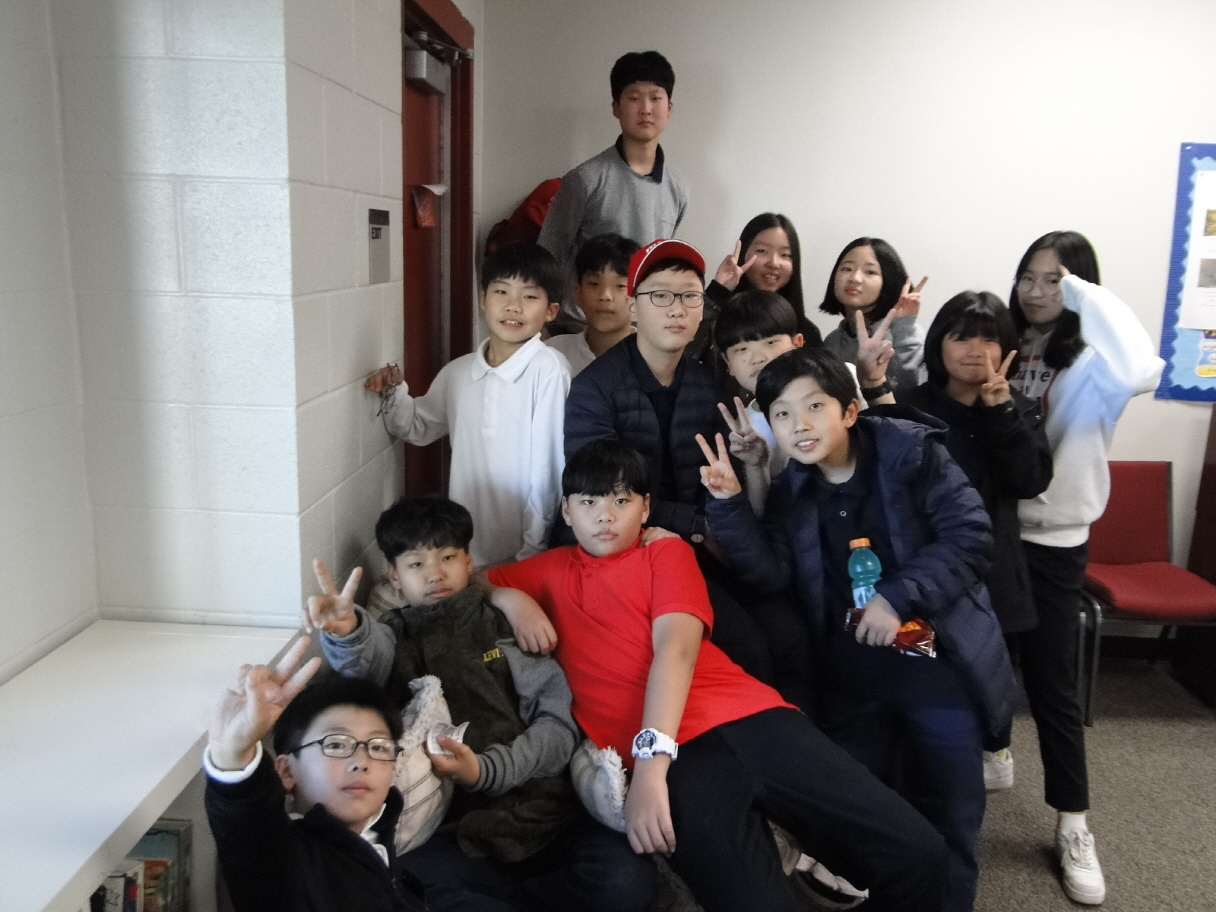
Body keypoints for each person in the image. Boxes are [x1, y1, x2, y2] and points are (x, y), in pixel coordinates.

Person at [484, 440, 949, 912]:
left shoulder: (664, 553)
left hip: (748, 720)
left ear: (645, 507)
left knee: (920, 854)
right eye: (588, 502)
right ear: (566, 511)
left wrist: (649, 767)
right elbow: (470, 577)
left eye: (621, 500)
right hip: (686, 768)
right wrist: (512, 599)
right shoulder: (546, 572)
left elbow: (677, 650)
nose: (605, 516)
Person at [701, 347, 1016, 912]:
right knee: (869, 819)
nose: (799, 425)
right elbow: (770, 574)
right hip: (853, 677)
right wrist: (728, 503)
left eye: (814, 406)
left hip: (936, 665)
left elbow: (970, 537)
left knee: (951, 811)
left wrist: (897, 596)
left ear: (849, 411)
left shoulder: (913, 454)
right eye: (781, 414)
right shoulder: (792, 489)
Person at [307, 496, 655, 912]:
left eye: (447, 557)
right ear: (393, 575)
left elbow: (557, 726)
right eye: (416, 564)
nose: (435, 574)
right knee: (403, 887)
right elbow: (364, 661)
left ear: (468, 561)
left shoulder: (505, 623)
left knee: (626, 881)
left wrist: (487, 770)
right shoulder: (393, 636)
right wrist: (348, 631)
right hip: (455, 833)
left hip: (545, 812)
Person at [995, 230, 1164, 905]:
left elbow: (1143, 367)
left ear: (1082, 288)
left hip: (1057, 540)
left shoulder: (1099, 361)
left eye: (1054, 280)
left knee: (1052, 685)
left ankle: (1073, 825)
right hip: (997, 530)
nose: (1037, 292)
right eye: (1028, 277)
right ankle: (993, 751)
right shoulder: (1005, 344)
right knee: (985, 653)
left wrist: (1084, 296)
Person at [563, 238, 773, 684]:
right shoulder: (593, 389)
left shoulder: (710, 385)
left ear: (701, 310)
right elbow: (600, 494)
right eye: (660, 295)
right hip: (618, 552)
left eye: (689, 296)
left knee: (784, 628)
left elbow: (723, 482)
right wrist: (696, 526)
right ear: (633, 308)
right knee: (746, 646)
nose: (676, 309)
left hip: (695, 547)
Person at [365, 243, 570, 568]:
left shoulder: (549, 369)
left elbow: (549, 467)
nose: (513, 306)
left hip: (525, 551)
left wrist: (532, 550)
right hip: (466, 548)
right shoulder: (458, 372)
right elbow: (416, 428)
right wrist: (393, 389)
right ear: (482, 298)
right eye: (501, 291)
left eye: (530, 296)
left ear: (551, 311)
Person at [203, 636, 428, 912]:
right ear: (286, 770)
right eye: (335, 744)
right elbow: (247, 819)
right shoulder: (282, 860)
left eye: (378, 746)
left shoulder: (377, 827)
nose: (361, 762)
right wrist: (231, 755)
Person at [900, 291, 1052, 652]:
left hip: (994, 573)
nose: (976, 350)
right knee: (919, 669)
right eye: (962, 337)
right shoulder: (910, 408)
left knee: (991, 673)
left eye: (989, 339)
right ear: (939, 344)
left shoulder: (1020, 409)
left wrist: (1002, 414)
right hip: (920, 566)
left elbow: (1029, 482)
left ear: (1007, 348)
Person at [538, 51, 687, 329]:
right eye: (634, 98)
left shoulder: (677, 189)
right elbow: (548, 257)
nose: (646, 108)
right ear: (616, 108)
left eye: (655, 98)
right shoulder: (585, 180)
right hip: (580, 331)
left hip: (642, 333)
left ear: (669, 108)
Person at [691, 213, 821, 361]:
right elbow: (681, 358)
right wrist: (716, 294)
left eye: (785, 254)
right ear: (743, 254)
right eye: (762, 251)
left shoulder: (808, 332)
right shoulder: (717, 317)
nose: (774, 263)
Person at [819, 237, 927, 392]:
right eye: (847, 269)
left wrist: (904, 326)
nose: (855, 278)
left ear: (888, 281)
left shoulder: (902, 332)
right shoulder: (833, 341)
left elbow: (915, 388)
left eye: (870, 272)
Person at [545, 233, 640, 376]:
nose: (605, 296)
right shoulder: (552, 353)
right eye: (594, 284)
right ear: (578, 294)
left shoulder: (658, 362)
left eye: (620, 286)